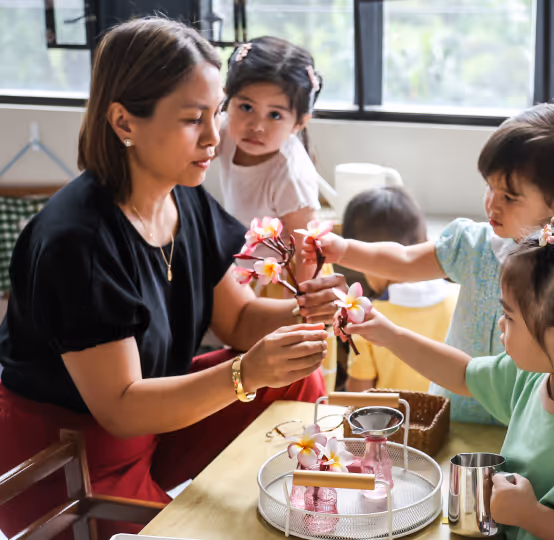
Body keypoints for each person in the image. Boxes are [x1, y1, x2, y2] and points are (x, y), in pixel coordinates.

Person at [0, 18, 346, 540]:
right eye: (193, 120)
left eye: (215, 113)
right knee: (196, 531)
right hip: (74, 454)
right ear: (124, 122)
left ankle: (296, 505)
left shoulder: (183, 195)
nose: (215, 136)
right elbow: (120, 408)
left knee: (293, 372)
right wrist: (246, 374)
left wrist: (308, 311)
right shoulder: (78, 241)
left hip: (154, 422)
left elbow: (240, 318)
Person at [300, 103, 554, 425]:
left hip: (534, 423)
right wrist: (343, 250)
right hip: (457, 407)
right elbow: (402, 260)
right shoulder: (471, 245)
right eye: (489, 187)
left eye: (509, 196)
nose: (491, 203)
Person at [344, 214, 554, 540]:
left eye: (508, 316)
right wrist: (388, 334)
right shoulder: (531, 379)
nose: (501, 326)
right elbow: (462, 374)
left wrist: (532, 516)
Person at [218, 36, 325, 283]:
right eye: (246, 107)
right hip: (246, 266)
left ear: (299, 123)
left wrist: (299, 305)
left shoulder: (290, 174)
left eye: (274, 115)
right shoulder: (226, 133)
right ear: (226, 100)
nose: (257, 126)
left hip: (287, 276)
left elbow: (307, 252)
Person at [340, 187, 458, 393]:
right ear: (426, 242)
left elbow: (358, 395)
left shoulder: (368, 318)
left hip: (393, 422)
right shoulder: (461, 297)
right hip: (452, 417)